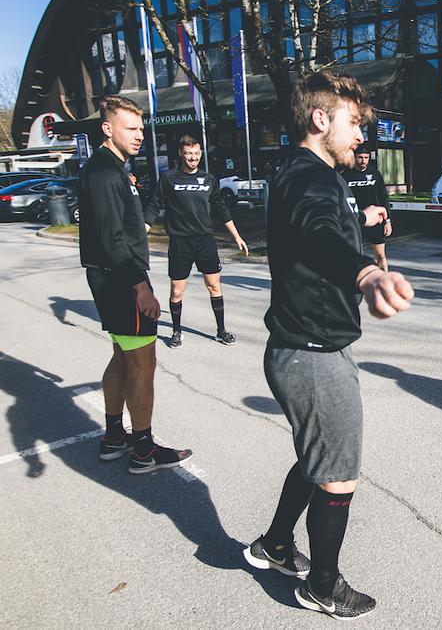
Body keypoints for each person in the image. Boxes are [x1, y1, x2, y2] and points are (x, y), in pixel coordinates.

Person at [242, 70, 414, 619]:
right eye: (353, 123)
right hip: (312, 353)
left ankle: (273, 544)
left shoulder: (305, 174)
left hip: (304, 348)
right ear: (321, 120)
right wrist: (366, 274)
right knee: (338, 472)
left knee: (316, 457)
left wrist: (358, 219)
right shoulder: (312, 178)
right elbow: (316, 231)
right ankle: (322, 584)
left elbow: (319, 225)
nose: (361, 135)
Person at [78, 96, 193, 475]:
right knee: (143, 362)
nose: (140, 135)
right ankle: (143, 449)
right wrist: (141, 287)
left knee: (121, 356)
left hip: (114, 278)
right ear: (107, 129)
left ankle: (115, 437)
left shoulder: (112, 168)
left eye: (141, 128)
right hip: (120, 280)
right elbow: (113, 241)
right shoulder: (105, 174)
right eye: (131, 128)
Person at [144, 135, 249, 348]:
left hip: (205, 242)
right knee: (176, 290)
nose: (193, 157)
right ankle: (176, 332)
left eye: (197, 153)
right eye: (189, 153)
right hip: (180, 242)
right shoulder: (169, 179)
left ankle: (221, 331)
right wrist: (143, 232)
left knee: (214, 286)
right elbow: (154, 205)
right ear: (181, 154)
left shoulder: (209, 180)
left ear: (201, 154)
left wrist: (236, 236)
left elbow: (220, 208)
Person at [341, 144, 393, 270]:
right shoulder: (345, 175)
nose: (363, 160)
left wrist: (388, 221)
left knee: (380, 256)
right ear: (354, 157)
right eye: (360, 157)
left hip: (376, 221)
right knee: (355, 256)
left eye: (366, 157)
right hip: (356, 220)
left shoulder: (375, 174)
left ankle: (384, 281)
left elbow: (384, 198)